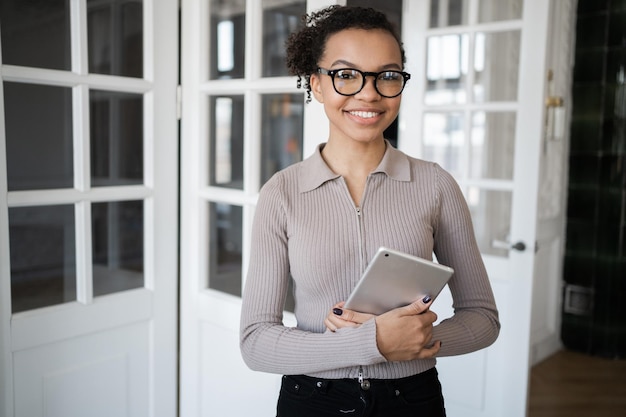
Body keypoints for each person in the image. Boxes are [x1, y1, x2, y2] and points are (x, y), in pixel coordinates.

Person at [240, 5, 500, 417]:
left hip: (412, 400)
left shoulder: (435, 185)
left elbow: (483, 318)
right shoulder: (282, 193)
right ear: (317, 84)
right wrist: (373, 342)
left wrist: (413, 340)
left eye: (387, 75)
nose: (369, 93)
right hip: (312, 400)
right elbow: (255, 342)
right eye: (346, 75)